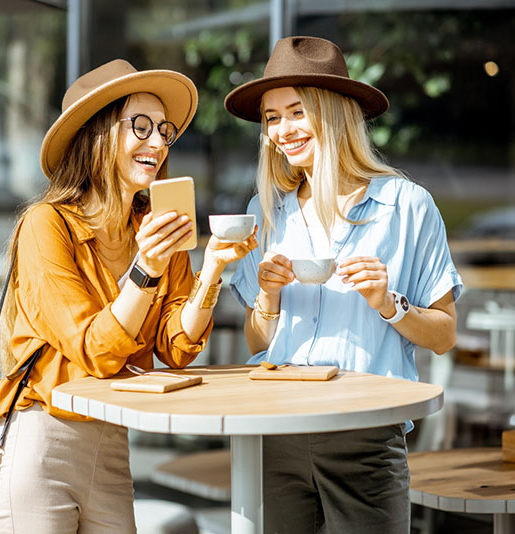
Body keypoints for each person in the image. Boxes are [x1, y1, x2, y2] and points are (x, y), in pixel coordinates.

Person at [0, 59, 258, 534]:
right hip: (43, 440)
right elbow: (95, 349)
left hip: (113, 444)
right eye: (141, 126)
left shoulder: (152, 228)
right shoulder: (46, 226)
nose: (158, 142)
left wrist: (211, 268)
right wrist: (146, 269)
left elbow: (176, 347)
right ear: (98, 134)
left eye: (163, 130)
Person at [225, 36, 463, 533]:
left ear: (332, 113)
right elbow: (258, 341)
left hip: (365, 433)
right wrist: (267, 296)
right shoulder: (264, 213)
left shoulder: (407, 206)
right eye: (272, 118)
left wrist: (389, 303)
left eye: (296, 112)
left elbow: (443, 336)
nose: (282, 131)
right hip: (275, 428)